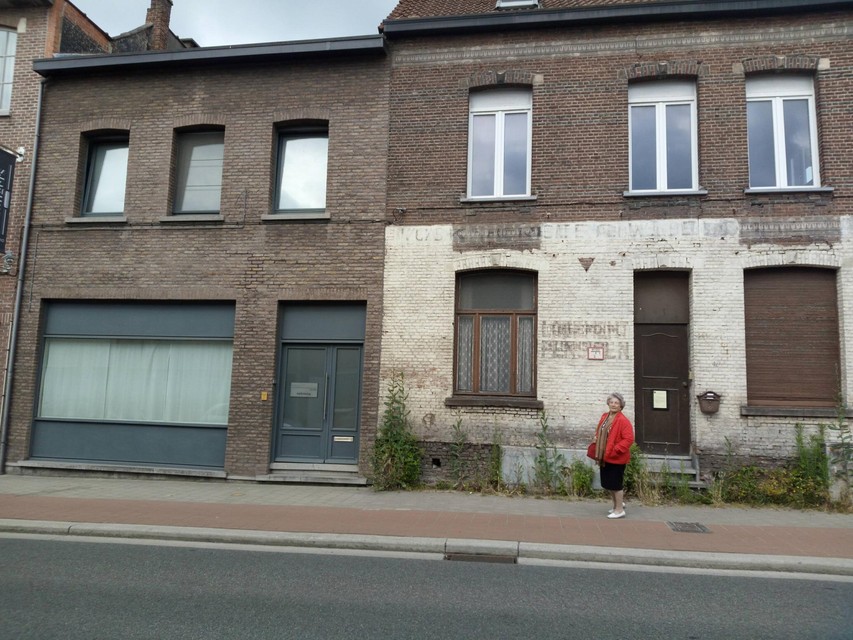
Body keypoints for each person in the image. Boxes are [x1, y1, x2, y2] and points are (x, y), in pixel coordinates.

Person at [591, 392, 634, 519]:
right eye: (611, 402)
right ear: (608, 403)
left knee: (616, 484)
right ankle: (615, 506)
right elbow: (601, 430)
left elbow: (628, 439)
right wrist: (596, 438)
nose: (613, 405)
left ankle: (620, 510)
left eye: (616, 403)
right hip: (604, 456)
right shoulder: (605, 416)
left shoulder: (623, 420)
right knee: (609, 483)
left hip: (616, 458)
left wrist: (616, 450)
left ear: (621, 405)